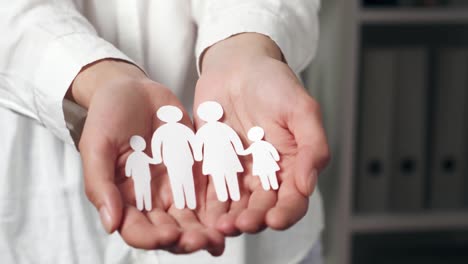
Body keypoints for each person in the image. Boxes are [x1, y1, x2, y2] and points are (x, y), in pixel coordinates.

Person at [0, 1, 330, 263]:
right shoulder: (164, 143)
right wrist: (90, 75)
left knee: (210, 185)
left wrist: (246, 44)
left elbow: (218, 145)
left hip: (256, 236)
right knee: (168, 188)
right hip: (49, 234)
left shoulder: (191, 137)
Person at [195, 101, 245, 202]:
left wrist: (198, 156)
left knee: (225, 175)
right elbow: (198, 144)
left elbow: (234, 138)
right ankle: (226, 194)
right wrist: (198, 155)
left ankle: (231, 194)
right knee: (221, 176)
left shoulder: (207, 130)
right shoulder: (207, 130)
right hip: (217, 157)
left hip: (223, 156)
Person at [152, 105, 199, 210]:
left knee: (181, 180)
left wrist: (157, 158)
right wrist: (157, 157)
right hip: (173, 160)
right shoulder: (163, 131)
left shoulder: (176, 129)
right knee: (180, 180)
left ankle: (188, 202)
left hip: (183, 159)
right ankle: (182, 202)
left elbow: (193, 141)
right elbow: (156, 143)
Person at [241, 126, 281, 191]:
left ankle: (272, 185)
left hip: (265, 162)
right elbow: (272, 150)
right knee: (265, 175)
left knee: (268, 174)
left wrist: (276, 157)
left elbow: (272, 149)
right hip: (262, 163)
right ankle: (268, 186)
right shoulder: (256, 145)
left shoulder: (258, 145)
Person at [125, 135, 155, 211]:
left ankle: (147, 206)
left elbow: (151, 161)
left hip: (145, 177)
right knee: (140, 191)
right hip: (138, 177)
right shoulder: (132, 156)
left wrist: (158, 159)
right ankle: (141, 206)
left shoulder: (142, 155)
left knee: (145, 191)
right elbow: (129, 166)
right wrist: (128, 173)